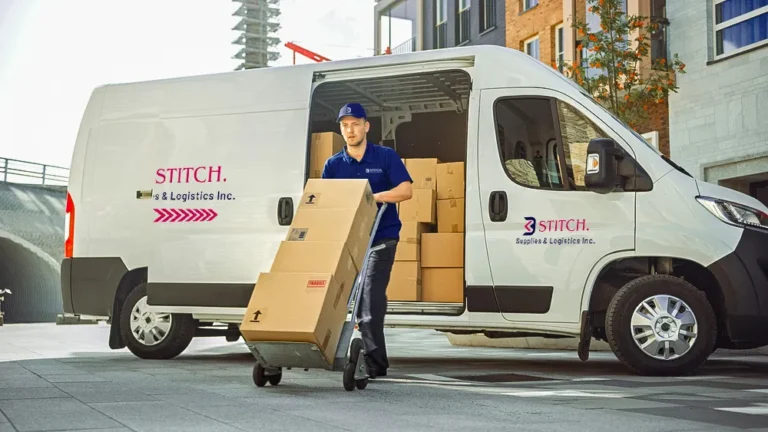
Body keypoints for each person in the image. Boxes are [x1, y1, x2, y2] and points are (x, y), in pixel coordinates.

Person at [321, 102, 413, 378]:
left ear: (366, 126)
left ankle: (375, 363)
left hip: (381, 238)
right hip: (348, 241)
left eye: (355, 124)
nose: (350, 130)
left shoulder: (385, 157)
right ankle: (325, 348)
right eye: (345, 125)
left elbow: (406, 190)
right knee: (333, 296)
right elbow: (326, 202)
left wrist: (374, 198)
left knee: (370, 300)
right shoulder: (334, 165)